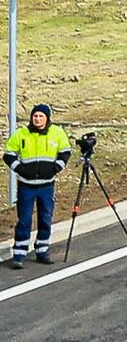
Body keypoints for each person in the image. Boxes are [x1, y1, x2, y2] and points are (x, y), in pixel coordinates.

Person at [8, 103, 76, 267]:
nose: (37, 119)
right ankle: (19, 254)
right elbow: (9, 154)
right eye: (35, 116)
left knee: (45, 218)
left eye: (41, 116)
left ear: (47, 118)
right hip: (26, 186)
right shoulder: (21, 134)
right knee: (24, 220)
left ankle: (42, 250)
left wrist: (56, 168)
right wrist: (20, 170)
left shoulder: (57, 133)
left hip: (47, 186)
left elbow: (65, 152)